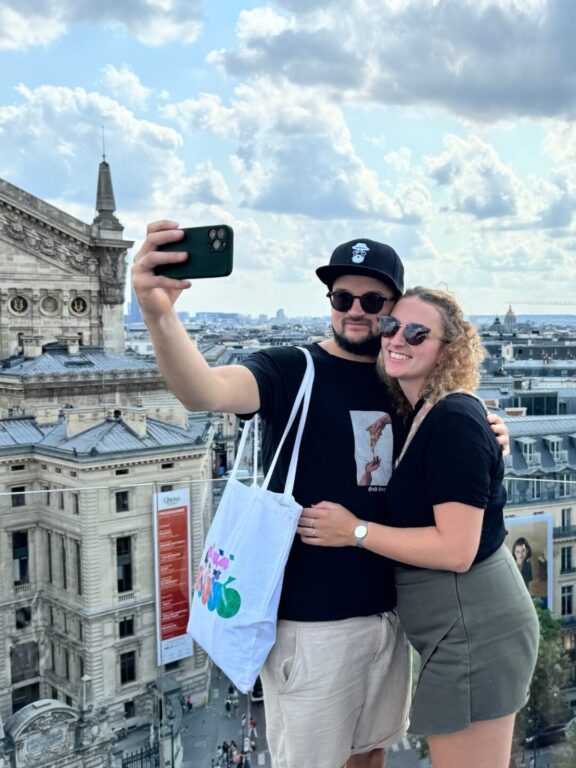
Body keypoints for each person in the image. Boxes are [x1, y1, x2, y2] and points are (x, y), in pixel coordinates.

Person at [131, 223, 508, 768]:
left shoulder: (405, 381)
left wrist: (490, 428)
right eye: (342, 297)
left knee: (371, 758)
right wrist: (158, 314)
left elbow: (451, 446)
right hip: (311, 629)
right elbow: (204, 390)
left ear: (393, 311)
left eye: (373, 300)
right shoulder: (292, 369)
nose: (355, 309)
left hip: (389, 620)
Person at [297, 287, 539, 768]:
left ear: (449, 349)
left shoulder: (452, 419)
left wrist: (355, 531)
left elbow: (456, 550)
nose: (396, 338)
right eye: (391, 326)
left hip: (475, 632)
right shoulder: (423, 412)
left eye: (417, 332)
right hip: (458, 629)